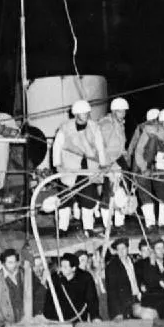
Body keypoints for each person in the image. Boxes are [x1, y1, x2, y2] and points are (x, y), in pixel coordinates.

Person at [52, 99, 108, 236]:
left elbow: (100, 147)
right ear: (76, 114)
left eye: (87, 113)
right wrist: (57, 165)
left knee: (88, 199)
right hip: (69, 170)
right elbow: (57, 147)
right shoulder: (65, 128)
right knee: (65, 199)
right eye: (83, 113)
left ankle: (88, 228)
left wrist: (102, 165)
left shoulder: (94, 127)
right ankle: (62, 229)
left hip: (88, 170)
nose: (86, 115)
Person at [98, 97, 130, 230]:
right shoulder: (106, 124)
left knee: (121, 191)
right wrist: (107, 164)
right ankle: (108, 225)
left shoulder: (120, 124)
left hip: (119, 159)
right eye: (120, 111)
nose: (123, 114)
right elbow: (101, 145)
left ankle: (119, 223)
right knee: (109, 192)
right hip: (108, 160)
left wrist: (124, 153)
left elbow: (120, 143)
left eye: (124, 111)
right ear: (114, 111)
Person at [45, 252, 100, 322]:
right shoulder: (55, 278)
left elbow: (92, 299)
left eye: (65, 267)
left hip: (78, 319)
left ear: (73, 268)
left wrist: (95, 317)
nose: (61, 269)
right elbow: (49, 299)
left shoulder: (85, 278)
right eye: (61, 266)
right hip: (57, 320)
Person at [0, 248, 25, 323]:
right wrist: (1, 319)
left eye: (15, 262)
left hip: (23, 318)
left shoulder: (22, 274)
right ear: (3, 263)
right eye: (10, 262)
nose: (13, 265)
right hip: (6, 321)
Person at [105, 238, 140, 319]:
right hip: (123, 305)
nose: (121, 251)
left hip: (137, 299)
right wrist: (117, 312)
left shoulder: (133, 263)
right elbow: (112, 291)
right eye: (118, 249)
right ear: (116, 251)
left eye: (123, 248)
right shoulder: (112, 267)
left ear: (127, 249)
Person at [137, 239, 164, 318]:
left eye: (162, 248)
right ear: (153, 250)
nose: (161, 251)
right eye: (158, 248)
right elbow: (150, 282)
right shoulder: (145, 262)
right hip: (153, 297)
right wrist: (152, 264)